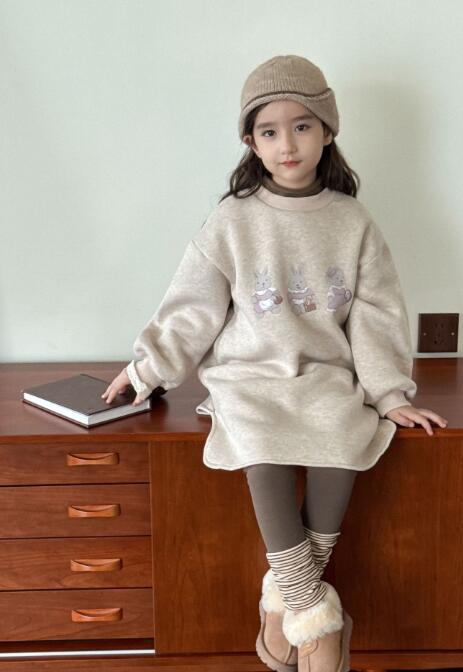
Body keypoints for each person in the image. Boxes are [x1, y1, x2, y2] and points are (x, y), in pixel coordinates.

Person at [102, 55, 448, 672]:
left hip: (324, 376)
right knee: (259, 447)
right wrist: (146, 369)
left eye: (302, 126)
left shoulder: (353, 221)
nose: (287, 144)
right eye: (269, 131)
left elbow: (375, 316)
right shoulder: (232, 219)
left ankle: (281, 606)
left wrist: (390, 394)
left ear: (328, 131)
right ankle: (315, 617)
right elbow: (192, 307)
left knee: (346, 438)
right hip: (249, 378)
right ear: (250, 141)